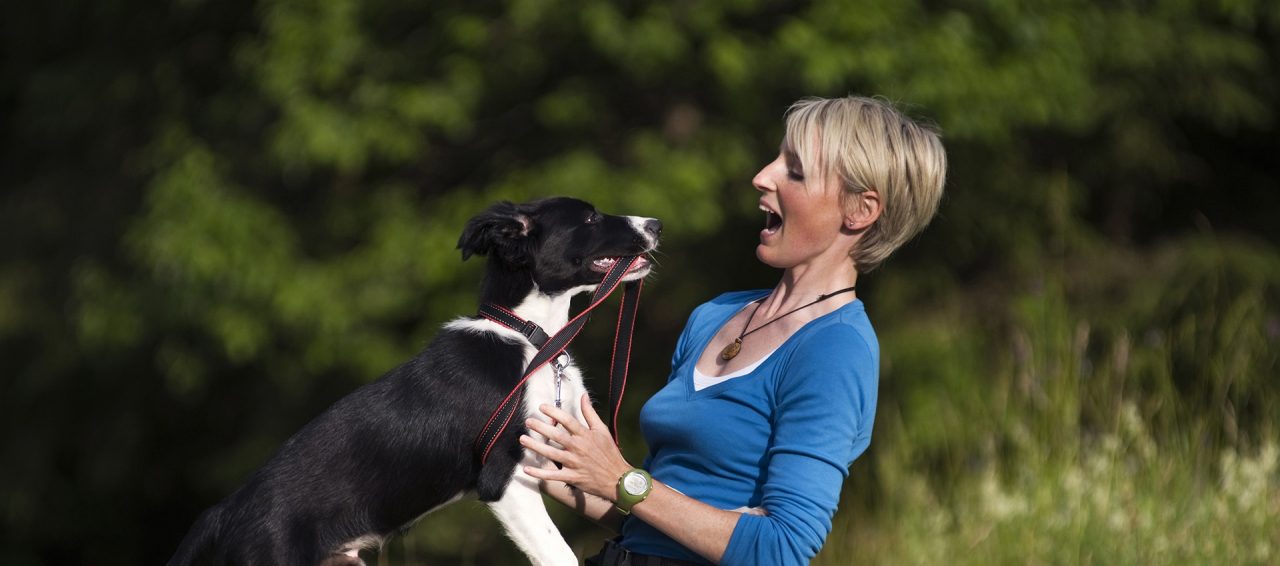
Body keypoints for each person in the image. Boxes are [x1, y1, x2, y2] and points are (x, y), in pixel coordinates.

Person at [520, 95, 947, 565]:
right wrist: (547, 465)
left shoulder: (835, 349)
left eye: (796, 171)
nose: (762, 177)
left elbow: (783, 548)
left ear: (860, 211)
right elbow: (654, 521)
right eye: (777, 159)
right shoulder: (714, 315)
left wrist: (623, 481)